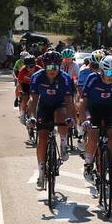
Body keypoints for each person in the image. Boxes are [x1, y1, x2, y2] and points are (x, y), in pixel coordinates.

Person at [25, 51, 76, 188]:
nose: (52, 71)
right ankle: (41, 172)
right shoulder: (37, 77)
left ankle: (64, 143)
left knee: (62, 114)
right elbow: (33, 99)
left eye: (55, 67)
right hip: (44, 106)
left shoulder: (65, 78)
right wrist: (31, 117)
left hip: (60, 105)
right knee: (42, 138)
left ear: (59, 66)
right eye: (49, 68)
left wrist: (71, 118)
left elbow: (69, 101)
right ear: (44, 67)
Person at [80, 55, 112, 183]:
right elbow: (83, 101)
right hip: (94, 108)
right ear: (101, 70)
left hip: (110, 108)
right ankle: (88, 165)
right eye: (108, 72)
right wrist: (84, 119)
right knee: (93, 135)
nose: (111, 76)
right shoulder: (93, 78)